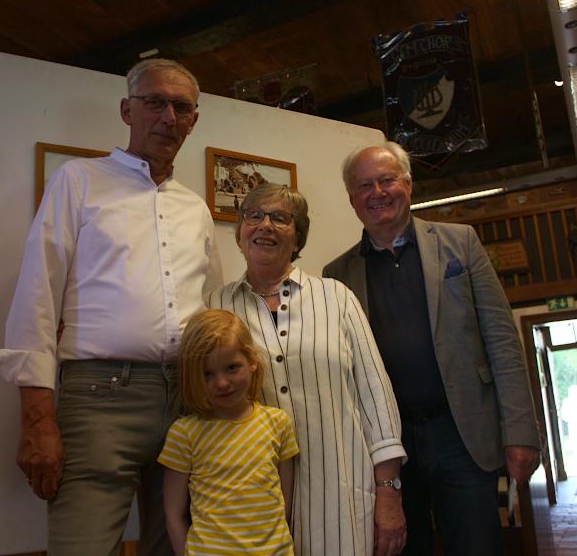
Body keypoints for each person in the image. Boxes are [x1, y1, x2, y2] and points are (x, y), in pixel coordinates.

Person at [0, 58, 222, 556]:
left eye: (181, 107)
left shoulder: (195, 208)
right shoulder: (79, 181)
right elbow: (38, 294)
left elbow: (212, 315)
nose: (168, 117)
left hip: (187, 401)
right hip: (99, 400)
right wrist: (37, 418)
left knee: (181, 548)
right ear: (127, 110)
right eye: (155, 102)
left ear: (193, 120)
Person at [323, 142, 542, 556]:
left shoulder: (461, 243)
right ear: (352, 199)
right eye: (364, 185)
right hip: (390, 446)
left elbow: (502, 342)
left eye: (386, 180)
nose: (377, 193)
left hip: (461, 436)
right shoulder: (336, 275)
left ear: (407, 183)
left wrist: (521, 433)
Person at [208, 183, 407, 556]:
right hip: (249, 504)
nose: (265, 225)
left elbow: (375, 399)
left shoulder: (337, 297)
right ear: (239, 233)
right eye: (254, 216)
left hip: (341, 499)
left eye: (280, 218)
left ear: (297, 236)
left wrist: (389, 493)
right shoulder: (216, 304)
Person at [159, 309, 300, 556]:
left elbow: (284, 504)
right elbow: (173, 515)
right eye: (207, 374)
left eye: (232, 367)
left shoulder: (278, 423)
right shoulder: (184, 433)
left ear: (252, 361)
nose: (222, 383)